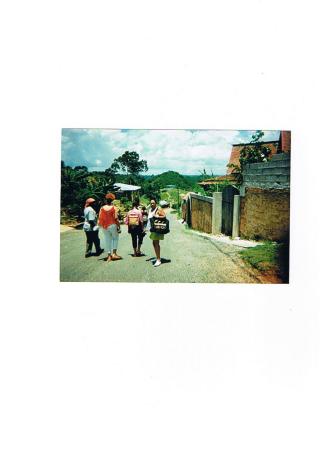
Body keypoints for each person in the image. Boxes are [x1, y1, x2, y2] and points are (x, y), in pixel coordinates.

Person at [98, 193, 122, 262]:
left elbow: (99, 217)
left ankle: (109, 256)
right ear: (112, 200)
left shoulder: (102, 208)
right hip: (112, 225)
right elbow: (116, 218)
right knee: (115, 238)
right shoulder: (114, 208)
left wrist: (100, 226)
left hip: (104, 226)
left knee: (107, 240)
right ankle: (114, 254)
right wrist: (119, 227)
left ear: (106, 200)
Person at [147, 198, 166, 267]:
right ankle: (158, 257)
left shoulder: (158, 209)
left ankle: (158, 260)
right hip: (153, 229)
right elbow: (149, 220)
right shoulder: (150, 210)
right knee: (154, 243)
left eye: (153, 203)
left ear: (156, 203)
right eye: (151, 203)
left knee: (156, 243)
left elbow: (164, 216)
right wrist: (147, 228)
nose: (152, 204)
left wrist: (157, 216)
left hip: (157, 229)